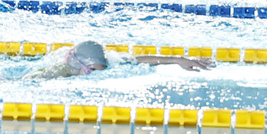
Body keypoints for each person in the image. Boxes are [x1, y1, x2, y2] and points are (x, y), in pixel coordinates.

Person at [31, 41, 214, 80]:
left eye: (100, 71)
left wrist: (178, 60)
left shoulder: (111, 63)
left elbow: (137, 60)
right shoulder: (54, 74)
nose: (95, 75)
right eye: (91, 71)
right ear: (77, 65)